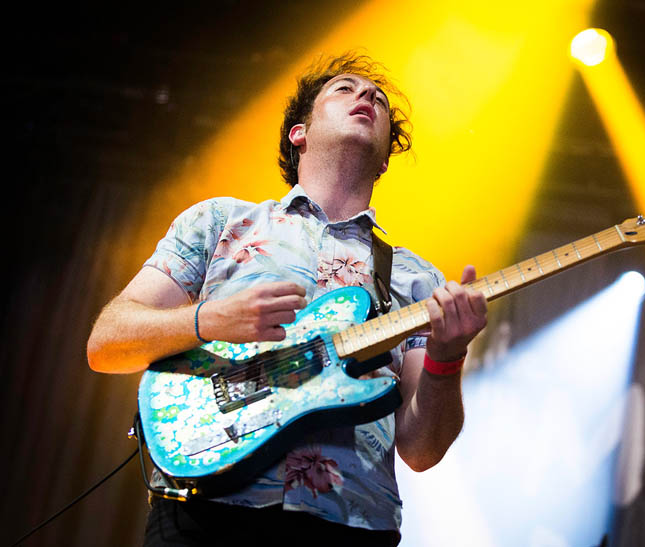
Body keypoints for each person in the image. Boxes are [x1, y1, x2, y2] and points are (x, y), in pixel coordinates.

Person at [86, 52, 487, 546]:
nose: (367, 97)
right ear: (299, 133)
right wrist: (208, 319)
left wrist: (448, 359)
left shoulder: (415, 278)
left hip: (351, 523)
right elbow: (107, 343)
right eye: (345, 89)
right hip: (206, 507)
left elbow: (421, 450)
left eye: (378, 99)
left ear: (385, 158)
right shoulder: (219, 223)